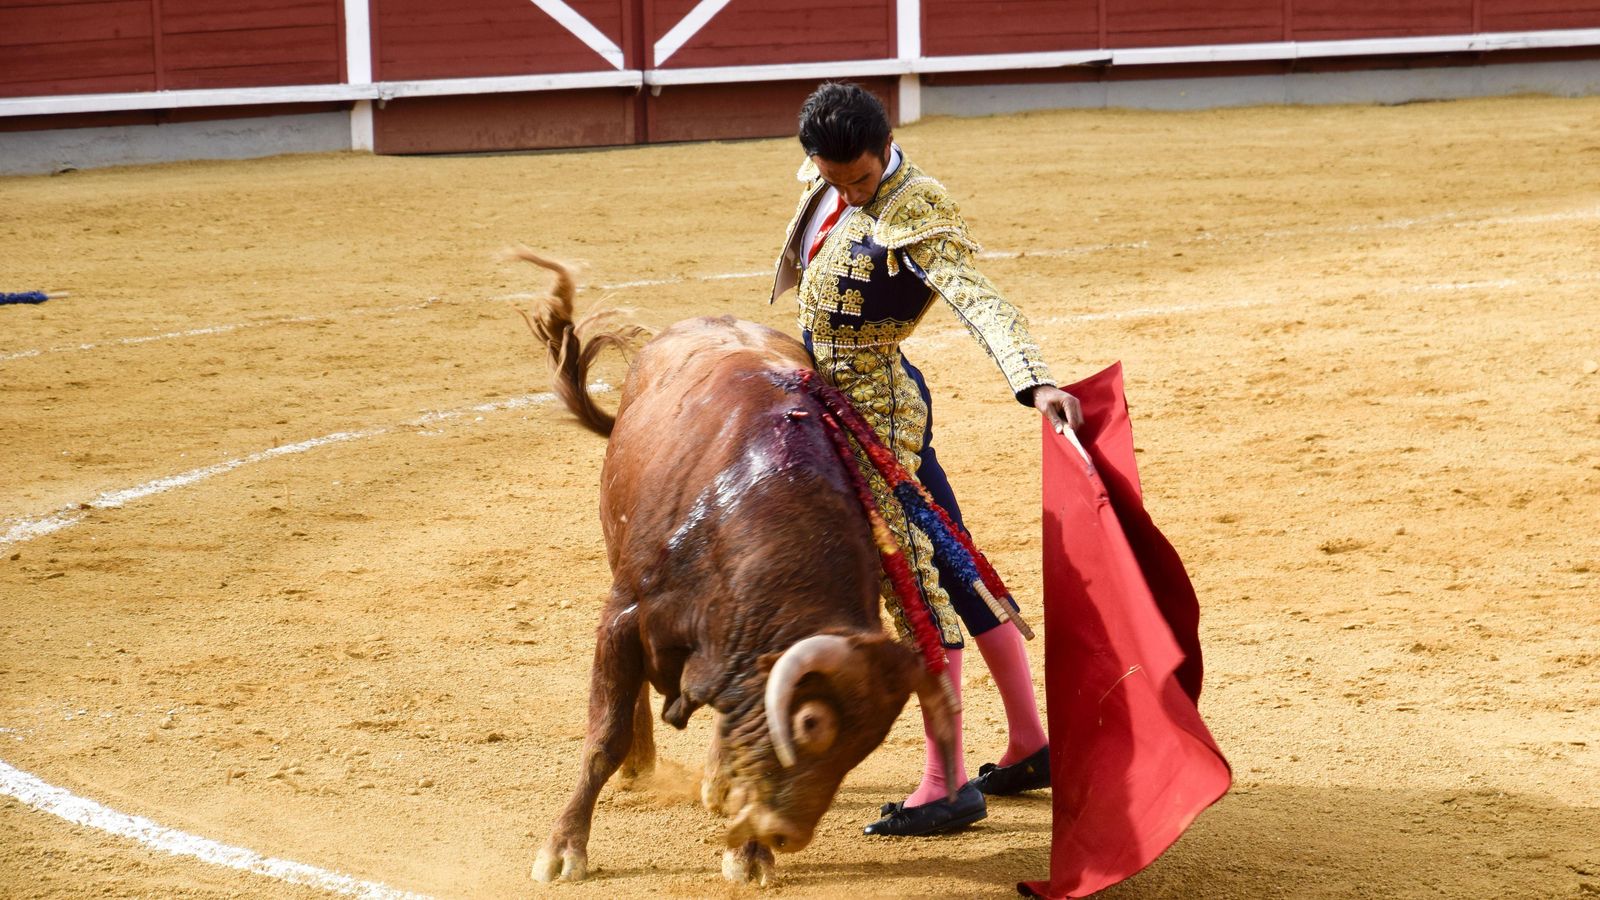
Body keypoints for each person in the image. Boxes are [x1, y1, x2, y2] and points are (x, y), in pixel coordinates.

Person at [770, 81, 1083, 837]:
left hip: (879, 412)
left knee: (915, 578)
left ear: (887, 151)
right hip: (833, 399)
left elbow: (981, 298)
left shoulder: (920, 207)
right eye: (834, 178)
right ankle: (1031, 741)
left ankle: (945, 784)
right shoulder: (831, 172)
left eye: (862, 180)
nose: (848, 191)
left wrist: (1033, 380)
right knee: (952, 559)